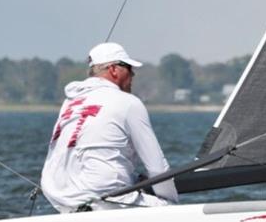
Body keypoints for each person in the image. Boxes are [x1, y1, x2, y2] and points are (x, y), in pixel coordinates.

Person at [41, 42, 178, 212]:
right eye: (128, 67)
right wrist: (172, 204)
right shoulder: (129, 103)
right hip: (104, 201)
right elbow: (157, 169)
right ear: (114, 69)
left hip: (63, 202)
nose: (133, 74)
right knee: (168, 205)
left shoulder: (70, 102)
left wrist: (135, 179)